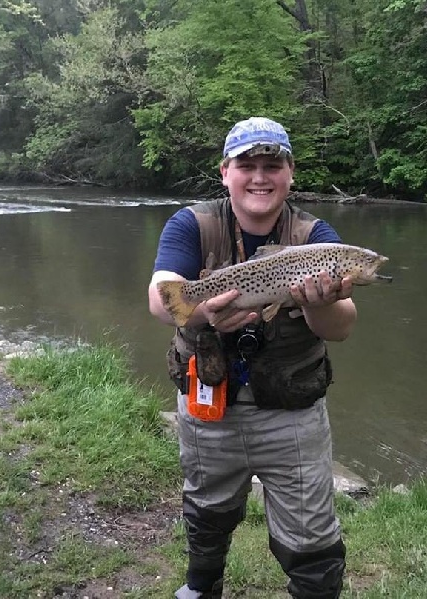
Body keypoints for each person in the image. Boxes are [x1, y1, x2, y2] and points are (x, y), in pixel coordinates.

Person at [147, 117, 357, 599]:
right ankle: (201, 587)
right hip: (208, 405)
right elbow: (162, 300)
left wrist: (318, 301)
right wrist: (200, 315)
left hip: (292, 412)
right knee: (207, 510)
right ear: (225, 172)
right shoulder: (191, 223)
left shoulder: (317, 236)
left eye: (272, 165)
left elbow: (342, 327)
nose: (260, 176)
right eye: (247, 165)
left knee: (312, 539)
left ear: (290, 172)